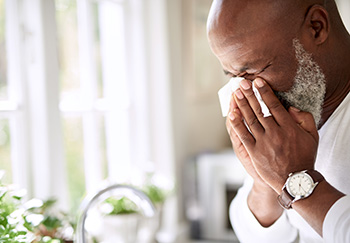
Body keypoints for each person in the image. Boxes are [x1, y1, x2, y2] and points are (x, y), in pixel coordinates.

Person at [206, 0, 350, 242]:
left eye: (253, 71)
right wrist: (265, 181)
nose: (247, 88)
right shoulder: (291, 113)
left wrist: (296, 182)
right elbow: (256, 235)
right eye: (233, 76)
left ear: (316, 27)